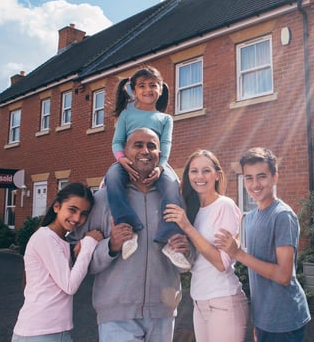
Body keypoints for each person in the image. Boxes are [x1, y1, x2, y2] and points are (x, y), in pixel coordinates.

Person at [69, 127, 194, 342]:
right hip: (116, 317)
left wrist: (187, 251)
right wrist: (111, 246)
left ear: (160, 154)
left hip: (162, 315)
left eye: (151, 146)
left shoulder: (174, 200)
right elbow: (75, 253)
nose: (145, 151)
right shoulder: (103, 199)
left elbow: (187, 259)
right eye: (138, 145)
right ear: (124, 153)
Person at [215, 147, 311, 342]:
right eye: (248, 178)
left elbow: (284, 276)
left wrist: (239, 253)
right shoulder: (249, 219)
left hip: (285, 321)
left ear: (275, 178)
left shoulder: (282, 216)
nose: (255, 184)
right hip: (264, 320)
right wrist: (258, 322)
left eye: (261, 176)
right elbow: (255, 271)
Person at [105, 66, 190, 269]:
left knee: (171, 185)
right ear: (133, 90)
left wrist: (161, 167)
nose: (148, 90)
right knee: (112, 177)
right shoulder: (127, 115)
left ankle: (169, 236)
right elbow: (117, 142)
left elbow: (166, 144)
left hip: (157, 163)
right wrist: (121, 159)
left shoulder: (165, 119)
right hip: (127, 161)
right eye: (142, 86)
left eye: (153, 85)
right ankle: (128, 232)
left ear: (161, 89)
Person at [163, 149, 248, 342]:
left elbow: (221, 263)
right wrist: (184, 248)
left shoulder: (224, 206)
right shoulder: (193, 210)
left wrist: (187, 228)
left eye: (206, 170)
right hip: (199, 300)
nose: (199, 176)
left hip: (224, 302)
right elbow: (197, 262)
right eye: (194, 171)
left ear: (217, 175)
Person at [12, 182, 103, 342]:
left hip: (53, 332)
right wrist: (89, 243)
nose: (77, 218)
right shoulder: (45, 238)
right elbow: (69, 285)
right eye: (72, 210)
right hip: (39, 332)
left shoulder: (60, 240)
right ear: (56, 207)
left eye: (84, 214)